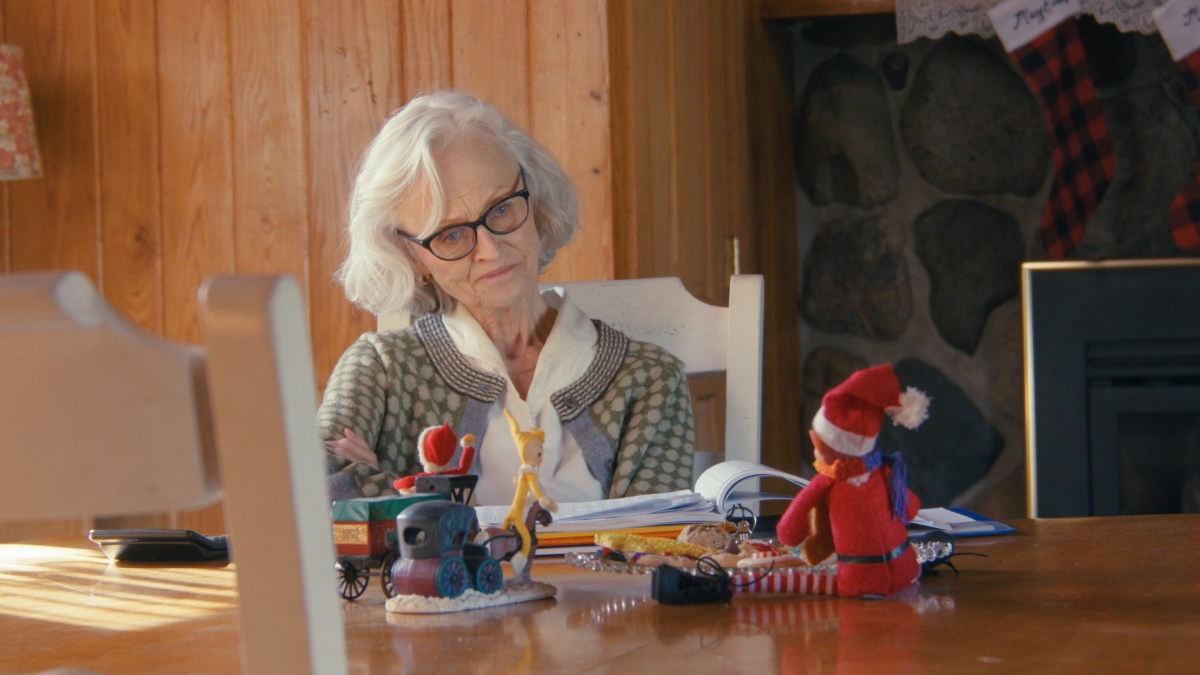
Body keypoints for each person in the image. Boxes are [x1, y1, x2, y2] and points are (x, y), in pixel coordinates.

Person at [319, 90, 695, 506]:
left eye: (501, 210)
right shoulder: (380, 369)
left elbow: (654, 547)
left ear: (535, 197)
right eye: (451, 235)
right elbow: (313, 486)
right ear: (411, 254)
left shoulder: (651, 379)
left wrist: (400, 497)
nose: (491, 251)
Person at [776, 363, 928, 597]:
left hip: (861, 581)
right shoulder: (884, 472)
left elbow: (788, 531)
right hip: (906, 570)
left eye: (816, 443)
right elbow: (910, 509)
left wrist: (793, 537)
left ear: (829, 450)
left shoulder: (827, 481)